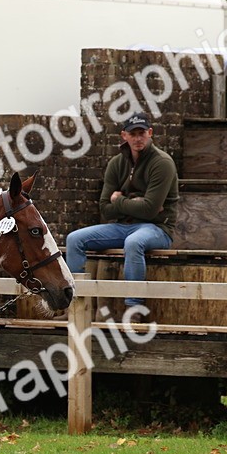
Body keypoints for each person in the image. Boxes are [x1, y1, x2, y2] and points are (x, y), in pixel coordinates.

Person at [65, 112, 178, 316]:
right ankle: (75, 304)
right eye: (132, 133)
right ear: (124, 135)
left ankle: (134, 308)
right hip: (121, 227)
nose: (137, 138)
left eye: (142, 133)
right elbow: (104, 209)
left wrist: (119, 200)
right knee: (74, 239)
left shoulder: (162, 163)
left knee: (134, 243)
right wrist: (135, 203)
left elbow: (150, 210)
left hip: (157, 229)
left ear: (150, 133)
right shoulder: (116, 163)